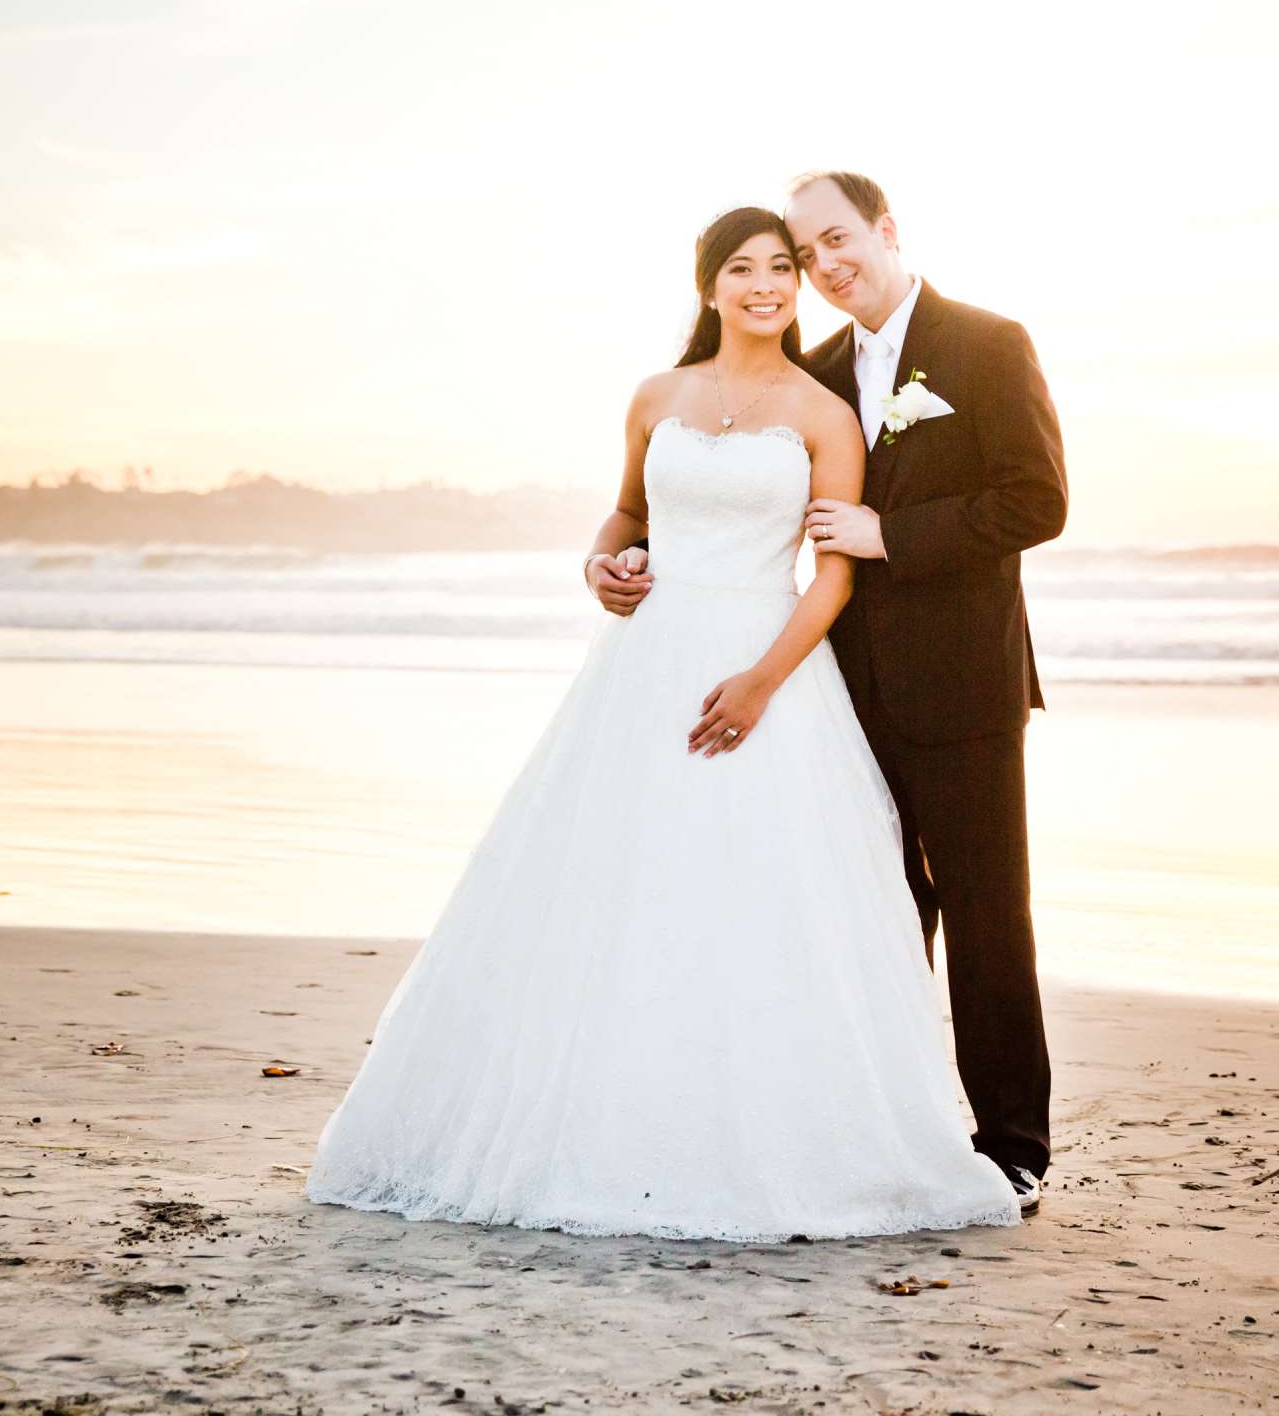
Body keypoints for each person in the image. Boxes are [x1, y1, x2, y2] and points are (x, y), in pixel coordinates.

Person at [306, 207, 1020, 1242]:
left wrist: (762, 682)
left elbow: (833, 577)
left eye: (786, 266)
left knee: (760, 902)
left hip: (768, 670)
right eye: (746, 268)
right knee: (620, 888)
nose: (770, 284)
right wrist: (601, 564)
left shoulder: (826, 413)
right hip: (646, 670)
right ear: (709, 283)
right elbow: (627, 515)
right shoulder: (656, 397)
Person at [595, 171, 1068, 1216]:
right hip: (838, 685)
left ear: (887, 229)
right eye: (809, 253)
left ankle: (1013, 1142)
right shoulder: (808, 371)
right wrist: (625, 566)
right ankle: (889, 1119)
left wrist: (892, 535)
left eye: (837, 240)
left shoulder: (989, 344)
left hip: (963, 682)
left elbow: (1036, 499)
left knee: (989, 915)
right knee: (872, 916)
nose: (825, 264)